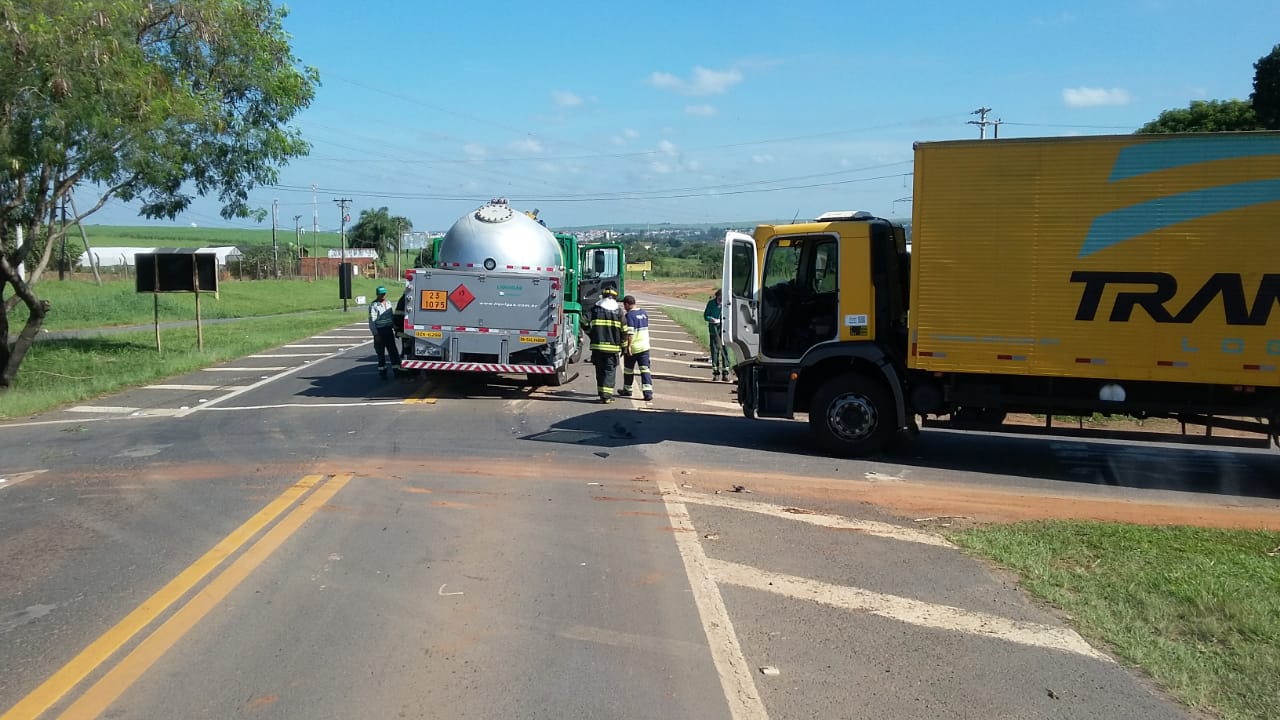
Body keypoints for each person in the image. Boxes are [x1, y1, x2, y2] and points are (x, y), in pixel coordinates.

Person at [584, 287, 624, 403]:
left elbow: (583, 321)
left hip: (597, 347)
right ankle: (607, 396)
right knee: (609, 371)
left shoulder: (595, 308)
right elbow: (625, 330)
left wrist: (591, 333)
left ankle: (602, 394)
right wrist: (624, 346)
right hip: (612, 348)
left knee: (599, 370)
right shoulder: (618, 311)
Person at [618, 295, 653, 401]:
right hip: (645, 347)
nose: (624, 307)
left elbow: (630, 333)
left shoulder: (629, 315)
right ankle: (648, 393)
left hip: (634, 348)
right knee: (645, 370)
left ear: (627, 304)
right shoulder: (644, 313)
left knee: (628, 370)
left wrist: (628, 347)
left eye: (624, 305)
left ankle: (627, 389)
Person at [369, 285, 400, 375]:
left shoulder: (389, 303)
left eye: (384, 294)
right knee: (381, 353)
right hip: (380, 331)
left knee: (393, 351)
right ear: (377, 294)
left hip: (388, 330)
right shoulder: (374, 305)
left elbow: (391, 316)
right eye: (380, 294)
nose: (382, 296)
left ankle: (396, 370)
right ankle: (382, 372)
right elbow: (372, 321)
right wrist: (376, 334)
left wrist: (395, 327)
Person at [703, 289, 731, 381]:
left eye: (722, 299)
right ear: (717, 297)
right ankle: (715, 373)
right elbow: (706, 316)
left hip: (724, 331)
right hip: (714, 331)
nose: (720, 301)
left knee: (725, 351)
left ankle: (725, 373)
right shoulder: (711, 304)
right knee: (714, 352)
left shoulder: (727, 304)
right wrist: (711, 319)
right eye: (719, 299)